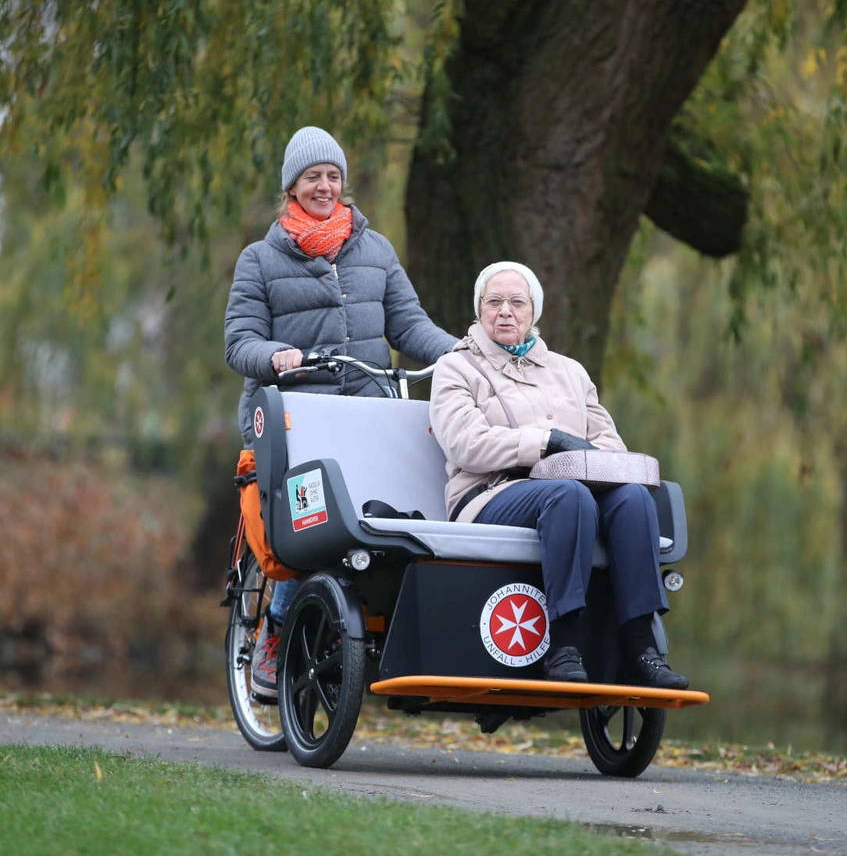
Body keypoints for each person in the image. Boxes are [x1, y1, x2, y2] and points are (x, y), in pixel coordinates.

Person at [225, 126, 457, 700]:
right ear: (292, 188)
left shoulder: (375, 250)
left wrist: (461, 353)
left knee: (406, 516)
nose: (324, 186)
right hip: (295, 418)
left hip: (371, 414)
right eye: (312, 178)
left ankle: (398, 639)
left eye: (332, 176)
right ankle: (275, 637)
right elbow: (239, 343)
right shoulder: (259, 259)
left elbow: (408, 325)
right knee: (310, 531)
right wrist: (276, 356)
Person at [428, 261, 689, 689]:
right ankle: (564, 644)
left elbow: (609, 443)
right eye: (494, 302)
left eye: (517, 302)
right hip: (490, 492)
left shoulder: (570, 371)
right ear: (479, 311)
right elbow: (466, 445)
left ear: (534, 312)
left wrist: (592, 461)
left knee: (634, 499)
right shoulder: (456, 368)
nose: (505, 312)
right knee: (568, 496)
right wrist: (545, 442)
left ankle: (642, 647)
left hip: (572, 490)